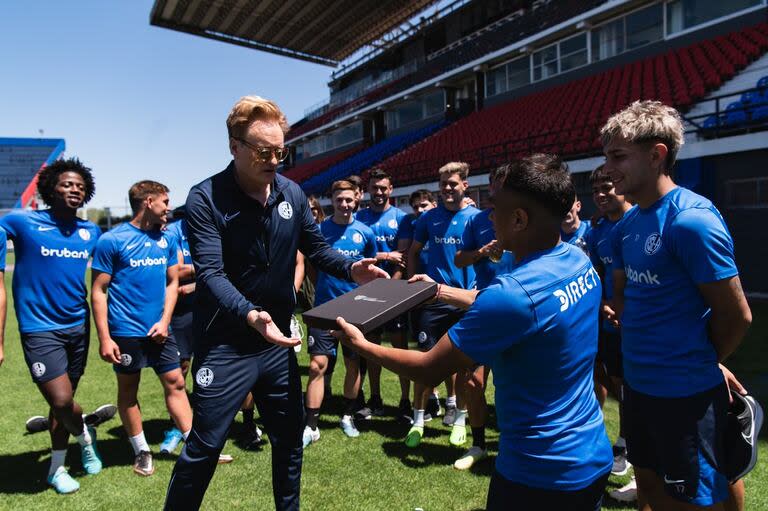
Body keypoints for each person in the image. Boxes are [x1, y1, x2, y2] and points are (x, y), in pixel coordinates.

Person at [333, 154, 613, 510]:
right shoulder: (576, 260)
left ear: (519, 218)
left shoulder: (512, 295)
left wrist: (363, 344)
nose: (490, 217)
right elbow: (519, 305)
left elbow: (429, 368)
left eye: (495, 208)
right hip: (590, 453)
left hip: (540, 471)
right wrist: (441, 290)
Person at [163, 96, 386, 511]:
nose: (274, 160)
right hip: (226, 344)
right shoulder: (205, 198)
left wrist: (354, 269)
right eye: (263, 151)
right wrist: (250, 313)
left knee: (289, 442)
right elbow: (210, 273)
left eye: (281, 151)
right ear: (235, 147)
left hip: (277, 343)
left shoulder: (292, 193)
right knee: (204, 448)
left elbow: (317, 249)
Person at [603, 100, 752, 510]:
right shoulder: (628, 226)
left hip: (683, 394)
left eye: (618, 155)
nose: (608, 167)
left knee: (698, 496)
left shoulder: (691, 220)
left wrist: (704, 360)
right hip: (638, 387)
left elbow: (737, 315)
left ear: (656, 155)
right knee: (649, 487)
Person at [0, 158, 103, 494]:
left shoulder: (92, 231)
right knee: (61, 401)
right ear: (50, 188)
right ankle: (85, 431)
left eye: (80, 186)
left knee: (63, 401)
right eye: (67, 184)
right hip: (38, 328)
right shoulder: (21, 222)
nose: (75, 189)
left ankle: (56, 469)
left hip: (78, 325)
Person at [91, 180, 191, 477]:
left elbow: (173, 283)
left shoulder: (167, 239)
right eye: (164, 202)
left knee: (176, 383)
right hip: (125, 332)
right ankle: (142, 451)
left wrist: (164, 321)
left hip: (161, 330)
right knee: (128, 391)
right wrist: (105, 338)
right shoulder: (112, 240)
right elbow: (98, 291)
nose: (168, 208)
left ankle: (196, 446)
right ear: (148, 202)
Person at [406, 162, 480, 448]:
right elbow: (413, 251)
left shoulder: (477, 218)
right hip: (433, 300)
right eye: (443, 184)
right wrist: (411, 287)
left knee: (464, 368)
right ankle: (418, 420)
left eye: (453, 183)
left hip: (464, 301)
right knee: (424, 363)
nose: (448, 188)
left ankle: (460, 419)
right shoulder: (428, 219)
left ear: (465, 185)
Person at [303, 179, 377, 446]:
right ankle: (311, 425)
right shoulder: (320, 230)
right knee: (316, 365)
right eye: (339, 200)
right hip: (324, 308)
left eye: (348, 200)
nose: (344, 205)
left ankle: (347, 415)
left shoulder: (365, 233)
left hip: (356, 310)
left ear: (356, 200)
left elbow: (369, 271)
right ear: (331, 201)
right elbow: (313, 266)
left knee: (353, 364)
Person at [452, 166, 515, 470]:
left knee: (513, 384)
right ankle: (478, 444)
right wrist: (481, 251)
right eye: (494, 186)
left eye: (504, 186)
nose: (497, 193)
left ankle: (512, 444)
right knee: (473, 382)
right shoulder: (476, 220)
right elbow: (460, 258)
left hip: (516, 309)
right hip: (483, 305)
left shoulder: (522, 216)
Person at [582, 164, 637, 500]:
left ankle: (631, 451)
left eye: (607, 188)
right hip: (606, 324)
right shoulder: (597, 230)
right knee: (612, 382)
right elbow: (597, 274)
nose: (601, 196)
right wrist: (603, 303)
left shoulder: (640, 222)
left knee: (638, 391)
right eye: (596, 191)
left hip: (640, 326)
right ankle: (623, 445)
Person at [355, 169, 410, 421]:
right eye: (374, 188)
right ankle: (375, 399)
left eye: (383, 188)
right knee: (372, 349)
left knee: (400, 350)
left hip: (394, 293)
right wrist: (385, 255)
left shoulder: (402, 218)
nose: (378, 193)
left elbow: (404, 259)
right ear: (368, 190)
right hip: (367, 295)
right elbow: (357, 256)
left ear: (391, 189)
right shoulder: (360, 218)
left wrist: (390, 290)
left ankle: (405, 403)